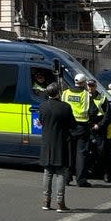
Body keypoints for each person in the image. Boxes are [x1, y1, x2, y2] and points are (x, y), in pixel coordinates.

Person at [38, 83, 73, 212]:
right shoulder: (65, 107)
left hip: (47, 142)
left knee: (47, 173)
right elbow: (72, 124)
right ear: (58, 92)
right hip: (61, 142)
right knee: (60, 173)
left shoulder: (42, 106)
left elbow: (41, 121)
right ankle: (60, 202)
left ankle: (46, 201)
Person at [61, 73, 96, 186]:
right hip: (81, 126)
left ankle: (66, 178)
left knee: (68, 153)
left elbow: (63, 107)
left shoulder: (65, 93)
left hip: (68, 126)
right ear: (84, 83)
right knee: (81, 154)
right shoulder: (86, 94)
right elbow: (88, 110)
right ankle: (81, 180)